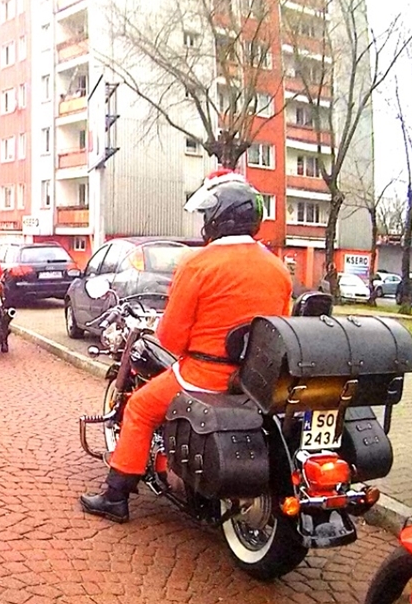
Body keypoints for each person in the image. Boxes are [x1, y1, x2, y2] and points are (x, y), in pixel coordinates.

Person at [78, 171, 293, 523]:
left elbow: (171, 339)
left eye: (207, 214)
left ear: (218, 218)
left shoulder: (198, 265)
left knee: (140, 408)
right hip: (255, 381)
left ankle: (115, 497)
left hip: (204, 376)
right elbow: (280, 327)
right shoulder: (277, 268)